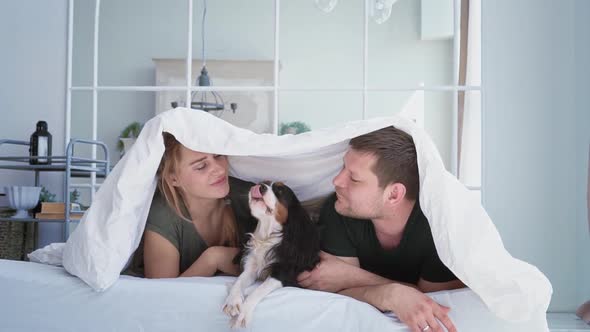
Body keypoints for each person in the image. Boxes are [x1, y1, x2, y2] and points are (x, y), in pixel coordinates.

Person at [297, 126, 465, 332]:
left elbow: (431, 303)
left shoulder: (437, 228)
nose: (337, 181)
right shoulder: (339, 209)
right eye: (343, 168)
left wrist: (356, 278)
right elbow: (334, 290)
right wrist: (392, 295)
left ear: (394, 194)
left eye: (354, 178)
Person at [125, 132, 256, 278]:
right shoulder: (163, 215)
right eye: (201, 166)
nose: (219, 169)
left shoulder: (248, 196)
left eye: (218, 155)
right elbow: (161, 294)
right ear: (173, 178)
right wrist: (213, 259)